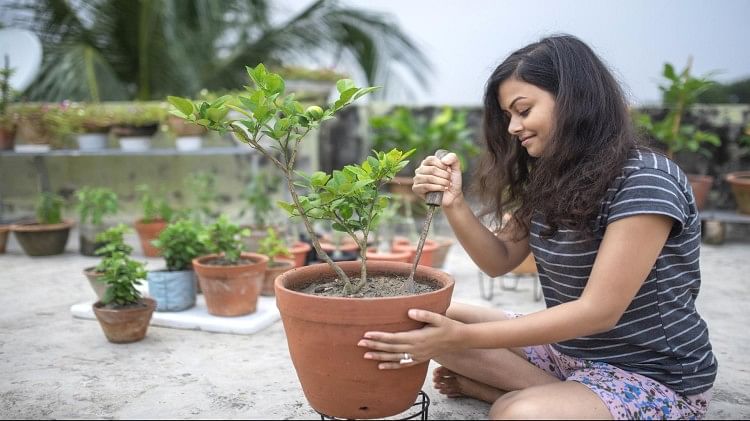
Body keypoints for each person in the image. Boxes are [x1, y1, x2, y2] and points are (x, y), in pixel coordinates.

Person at [357, 34, 716, 419]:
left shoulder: (646, 179)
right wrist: (454, 203)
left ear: (575, 99)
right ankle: (556, 394)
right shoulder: (554, 178)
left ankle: (521, 396)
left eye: (523, 110)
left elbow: (599, 312)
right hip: (567, 351)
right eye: (508, 116)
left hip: (651, 374)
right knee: (421, 316)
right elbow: (500, 260)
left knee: (517, 412)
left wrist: (461, 339)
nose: (513, 127)